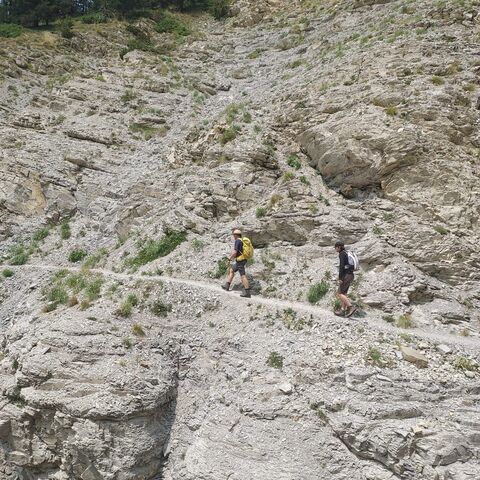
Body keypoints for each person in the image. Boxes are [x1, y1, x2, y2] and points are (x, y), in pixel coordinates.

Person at [222, 228, 251, 298]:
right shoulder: (241, 240)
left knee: (243, 275)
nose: (233, 236)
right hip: (241, 260)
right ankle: (227, 285)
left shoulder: (237, 241)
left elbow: (235, 252)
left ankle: (247, 292)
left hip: (240, 260)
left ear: (236, 235)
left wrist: (230, 258)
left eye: (233, 235)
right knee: (232, 270)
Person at [335, 240, 357, 317]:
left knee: (339, 293)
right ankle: (342, 310)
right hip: (351, 275)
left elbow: (341, 266)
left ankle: (351, 307)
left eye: (336, 247)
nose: (335, 249)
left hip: (346, 275)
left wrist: (340, 278)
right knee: (344, 293)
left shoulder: (342, 254)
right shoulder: (347, 253)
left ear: (339, 247)